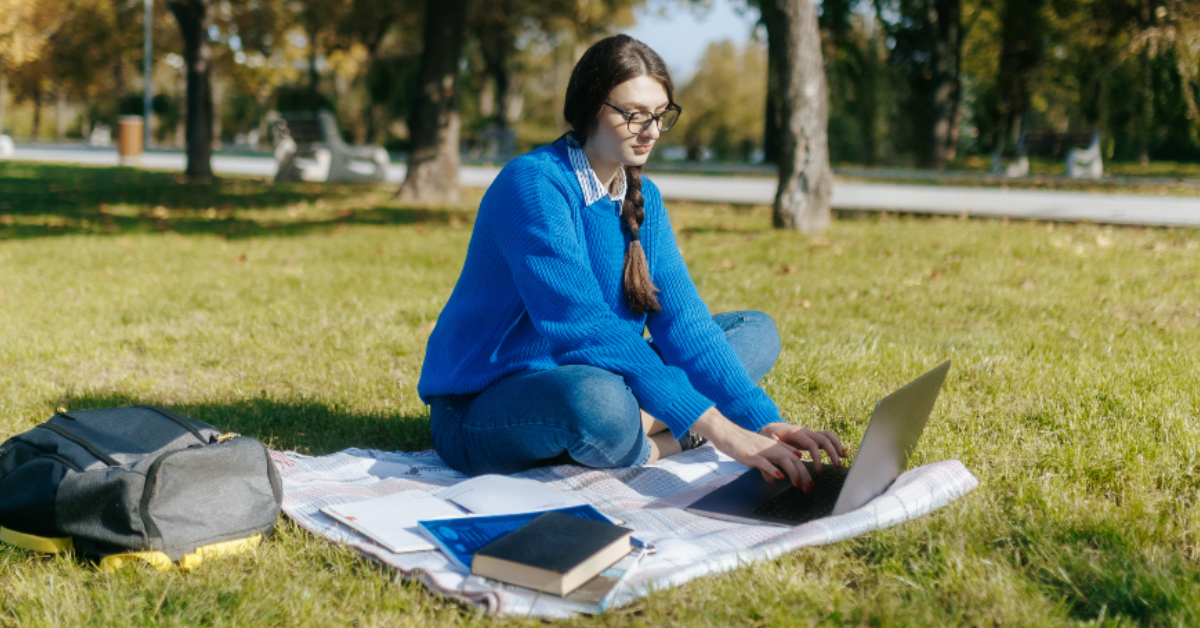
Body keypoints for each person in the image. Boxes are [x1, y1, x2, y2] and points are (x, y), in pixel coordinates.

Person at [418, 34, 844, 491]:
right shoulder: (534, 185)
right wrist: (723, 432)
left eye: (661, 115)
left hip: (605, 374)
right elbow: (581, 327)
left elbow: (685, 325)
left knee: (754, 331)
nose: (653, 131)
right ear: (588, 107)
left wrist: (763, 423)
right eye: (634, 115)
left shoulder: (645, 198)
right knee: (598, 402)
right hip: (487, 405)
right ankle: (660, 437)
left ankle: (639, 422)